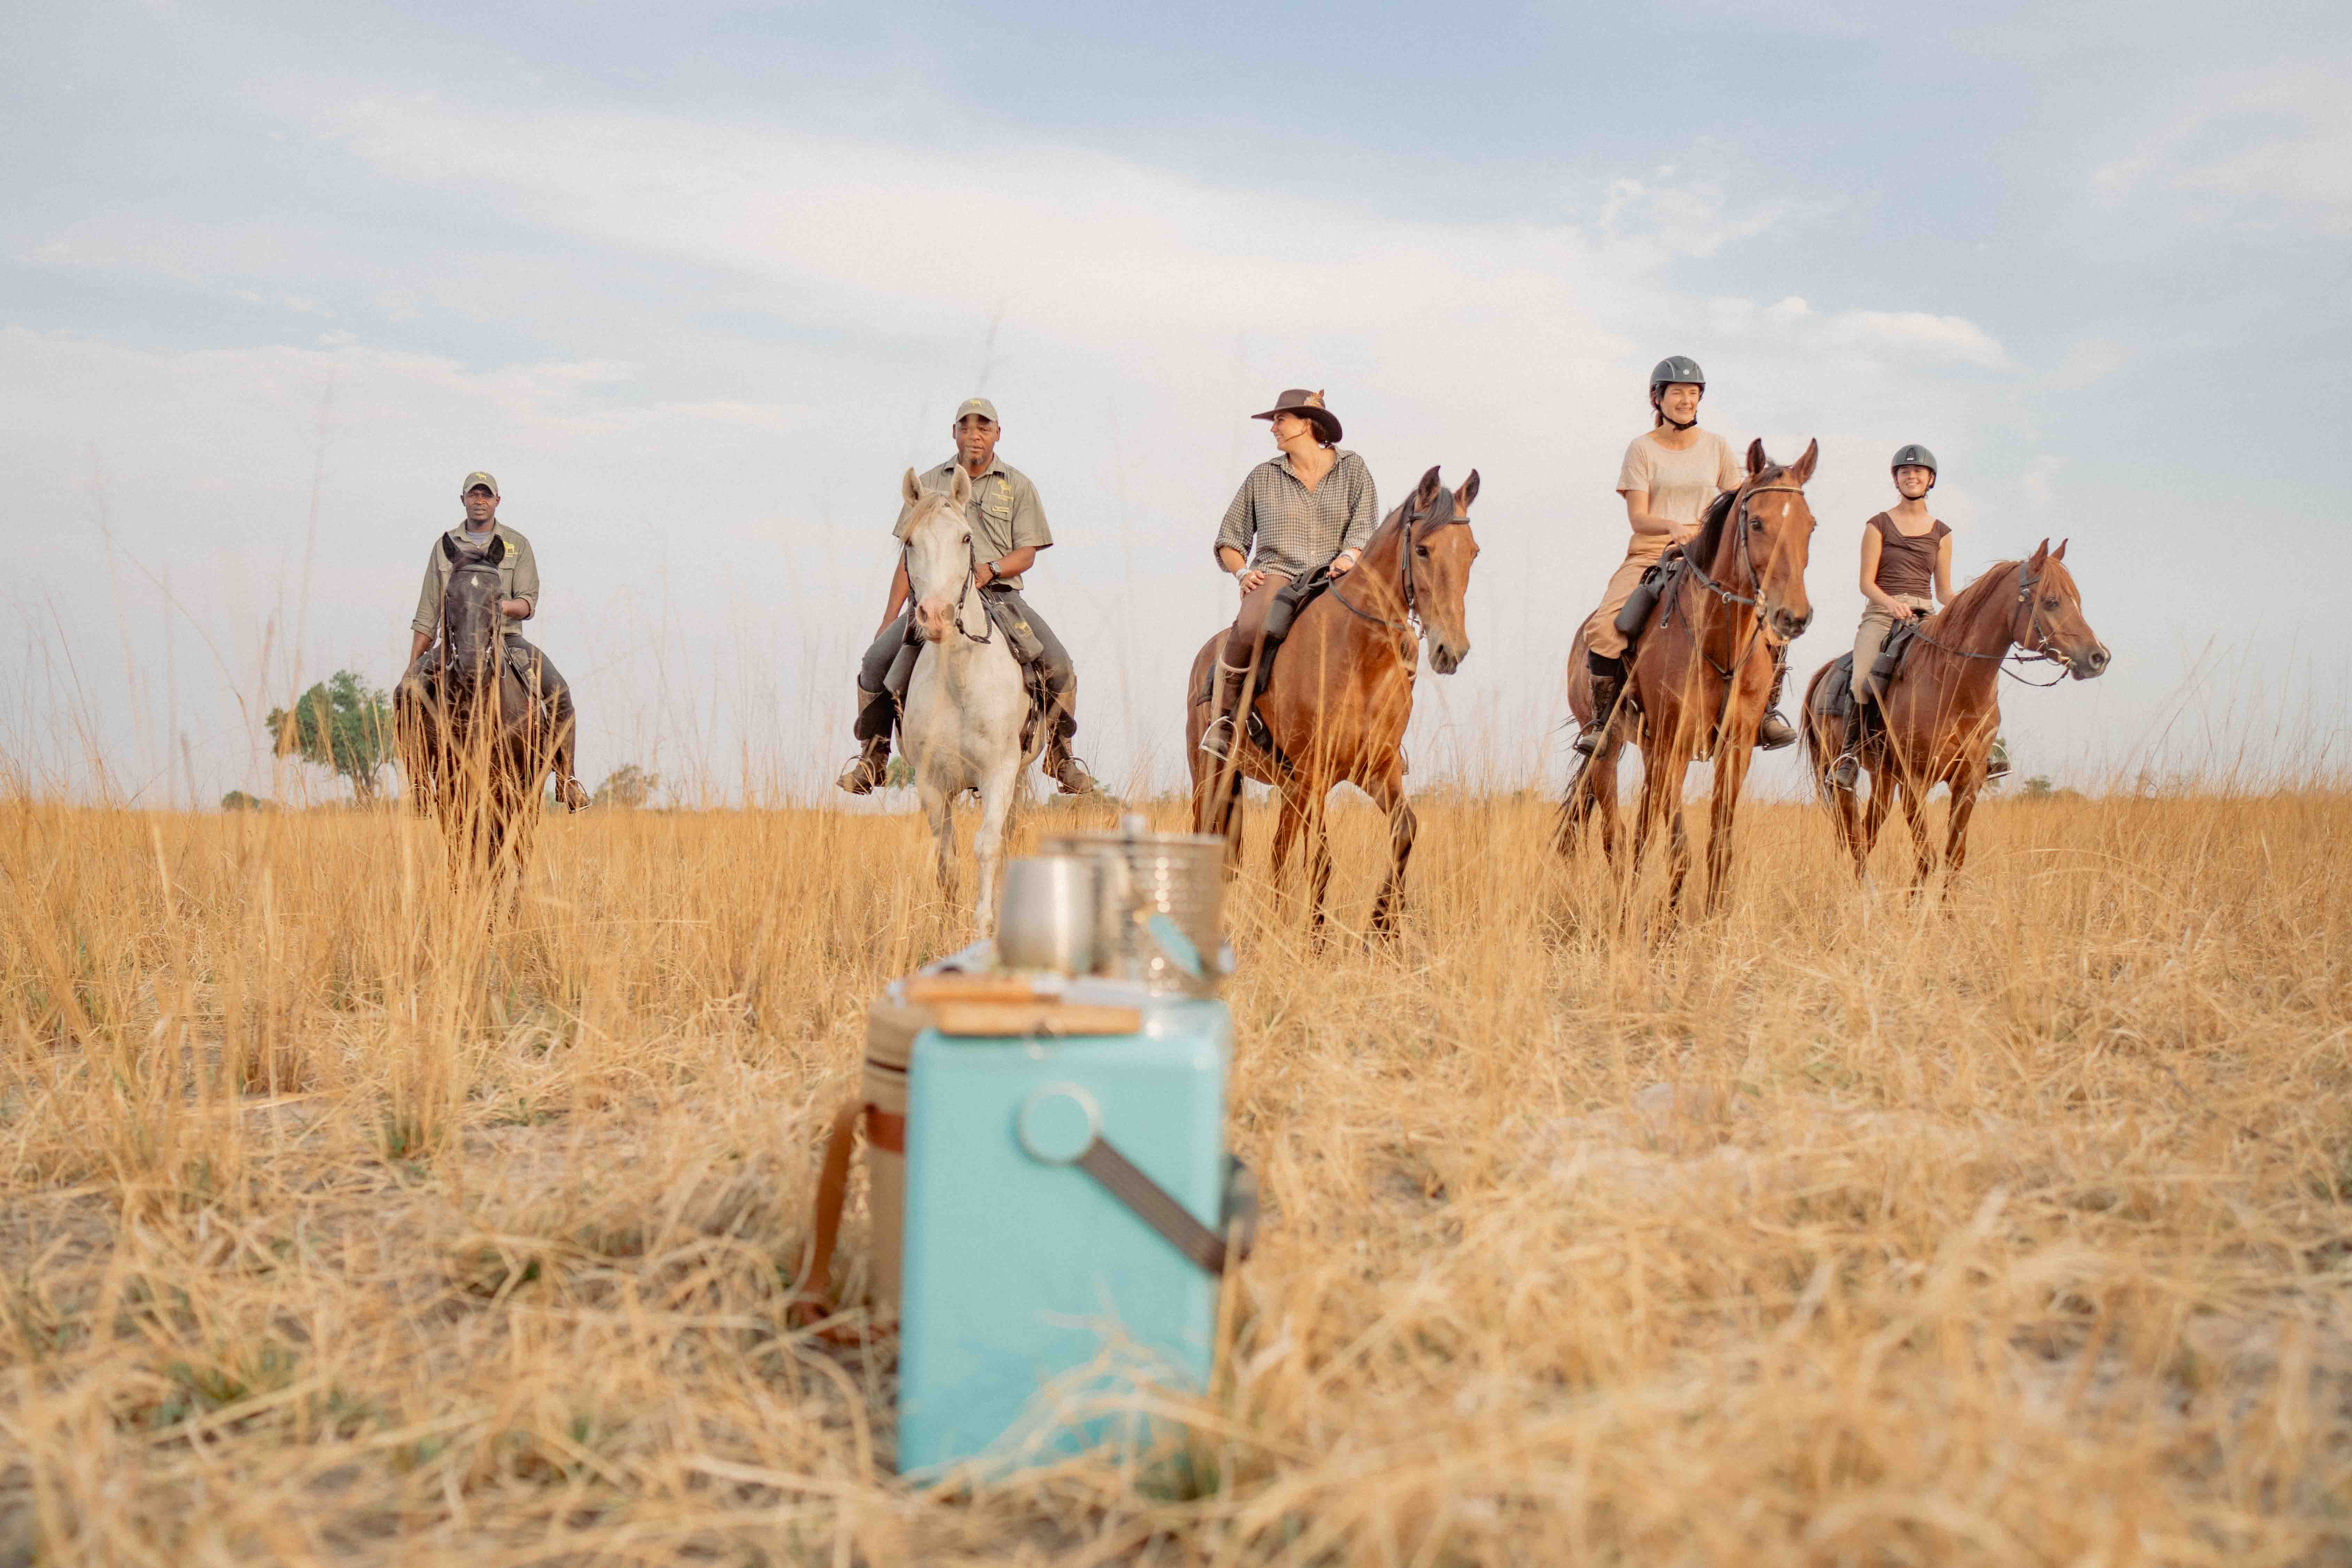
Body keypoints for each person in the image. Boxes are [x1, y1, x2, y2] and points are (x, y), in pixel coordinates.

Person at [836, 398, 1096, 795]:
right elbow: (909, 557)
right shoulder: (925, 484)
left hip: (1000, 595)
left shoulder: (1017, 485)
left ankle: (1059, 755)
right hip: (935, 599)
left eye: (983, 428)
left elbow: (1026, 554)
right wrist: (889, 617)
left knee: (1058, 663)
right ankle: (873, 757)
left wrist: (989, 570)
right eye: (966, 427)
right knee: (875, 663)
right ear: (953, 432)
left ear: (997, 434)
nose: (974, 435)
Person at [1572, 356, 1797, 757]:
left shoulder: (1716, 446)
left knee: (1771, 625)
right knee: (1605, 629)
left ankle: (1764, 712)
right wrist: (1672, 527)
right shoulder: (1641, 449)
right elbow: (1638, 518)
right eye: (1677, 393)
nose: (1686, 401)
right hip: (1651, 553)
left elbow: (1738, 498)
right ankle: (1602, 723)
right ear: (1657, 398)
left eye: (1693, 394)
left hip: (1706, 557)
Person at [1198, 389, 1380, 760]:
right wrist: (1242, 573)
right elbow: (1229, 539)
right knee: (1251, 625)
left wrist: (1348, 556)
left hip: (1337, 574)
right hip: (1277, 573)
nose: (1273, 429)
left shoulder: (1353, 468)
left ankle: (1383, 730)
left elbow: (1364, 526)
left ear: (1307, 424)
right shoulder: (1262, 477)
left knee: (1380, 631)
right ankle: (1225, 720)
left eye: (1280, 420)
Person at [1828, 444, 2008, 789]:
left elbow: (1943, 590)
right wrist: (1890, 603)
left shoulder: (1942, 533)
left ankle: (1987, 749)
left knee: (1972, 668)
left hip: (1926, 616)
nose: (1911, 476)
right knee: (1861, 678)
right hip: (1882, 613)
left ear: (1930, 480)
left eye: (1918, 472)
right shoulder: (1877, 525)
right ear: (1895, 480)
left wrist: (1962, 608)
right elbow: (1866, 582)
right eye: (1904, 472)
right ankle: (1849, 755)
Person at [404, 471, 586, 809]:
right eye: (473, 495)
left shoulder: (516, 544)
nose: (480, 501)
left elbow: (528, 602)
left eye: (486, 495)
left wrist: (496, 606)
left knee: (559, 694)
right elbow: (428, 612)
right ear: (463, 501)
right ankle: (418, 785)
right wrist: (412, 666)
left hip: (508, 640)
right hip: (456, 644)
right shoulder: (444, 547)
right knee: (405, 694)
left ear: (497, 501)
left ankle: (568, 778)